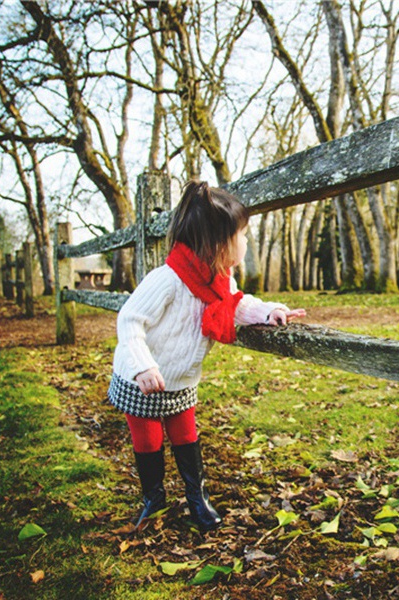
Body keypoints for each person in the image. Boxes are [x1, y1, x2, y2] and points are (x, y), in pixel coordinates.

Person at [107, 180, 305, 532]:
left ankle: (196, 498)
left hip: (181, 378)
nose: (245, 242)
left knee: (186, 435)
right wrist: (143, 367)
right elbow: (130, 319)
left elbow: (236, 303)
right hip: (142, 378)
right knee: (149, 439)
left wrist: (268, 311)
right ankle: (153, 499)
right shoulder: (167, 280)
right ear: (217, 242)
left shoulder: (218, 279)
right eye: (241, 235)